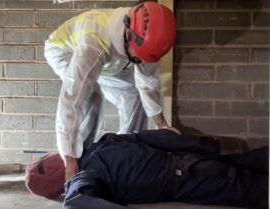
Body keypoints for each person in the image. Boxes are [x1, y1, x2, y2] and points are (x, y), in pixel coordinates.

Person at [44, 1, 178, 181]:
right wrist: (69, 159)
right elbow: (72, 100)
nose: (140, 61)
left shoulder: (148, 40)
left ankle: (127, 154)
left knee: (133, 93)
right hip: (64, 50)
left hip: (108, 57)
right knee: (91, 97)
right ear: (128, 34)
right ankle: (80, 161)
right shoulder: (94, 44)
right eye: (137, 57)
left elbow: (147, 83)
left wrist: (162, 124)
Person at [61, 129, 268, 209]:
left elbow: (76, 200)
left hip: (184, 178)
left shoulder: (84, 177)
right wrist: (201, 145)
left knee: (253, 190)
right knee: (243, 163)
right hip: (186, 161)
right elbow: (152, 137)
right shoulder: (102, 144)